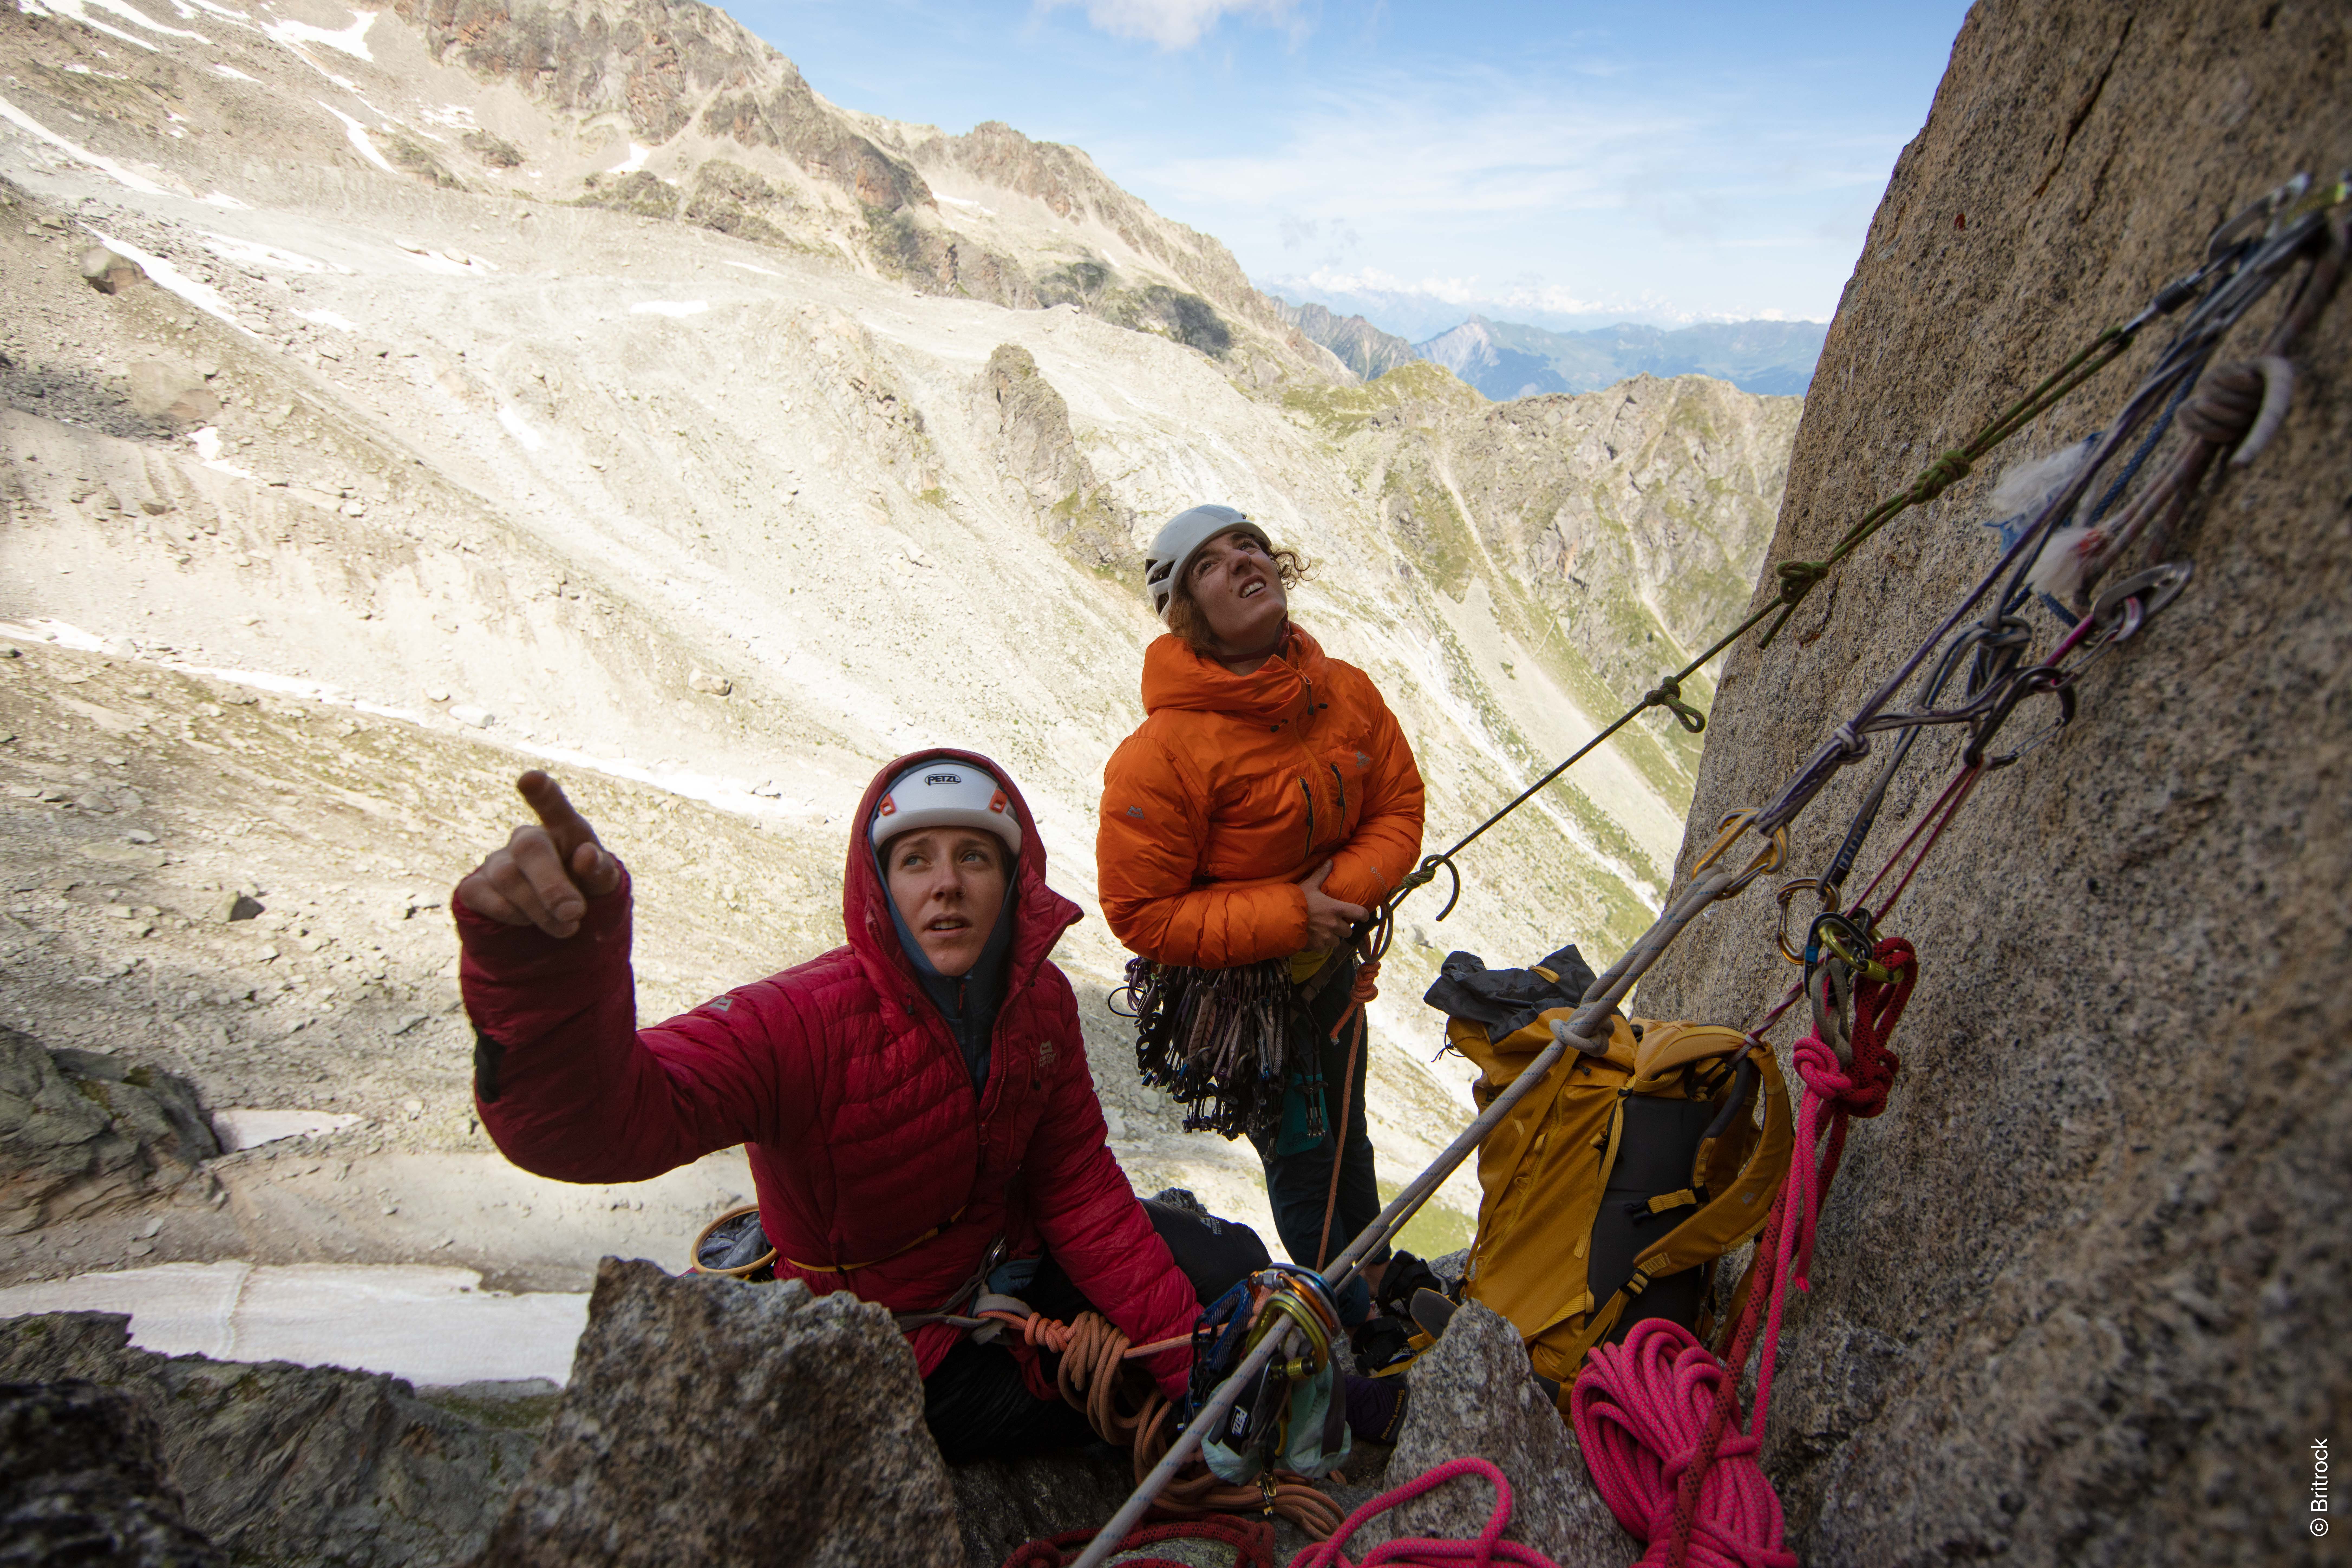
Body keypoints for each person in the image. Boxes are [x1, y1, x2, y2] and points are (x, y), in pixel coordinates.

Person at [454, 751, 1227, 1463]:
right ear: (881, 888)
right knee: (1102, 1418)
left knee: (1232, 1274)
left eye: (975, 857)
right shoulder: (799, 1023)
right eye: (915, 860)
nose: (946, 883)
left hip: (1003, 1263)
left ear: (1013, 883)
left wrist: (1186, 1359)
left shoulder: (1042, 1002)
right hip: (891, 1343)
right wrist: (542, 979)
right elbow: (596, 1130)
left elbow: (1075, 1186)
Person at [1097, 505, 1428, 1337]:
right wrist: (1293, 915)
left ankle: (1375, 1269)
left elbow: (1398, 804)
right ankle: (1343, 1314)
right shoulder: (1163, 753)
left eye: (1249, 544)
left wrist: (1335, 903)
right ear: (1190, 613)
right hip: (1252, 1006)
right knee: (1305, 1158)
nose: (1245, 561)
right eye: (1211, 563)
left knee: (1346, 1129)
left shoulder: (1344, 690)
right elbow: (1140, 910)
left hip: (1333, 969)